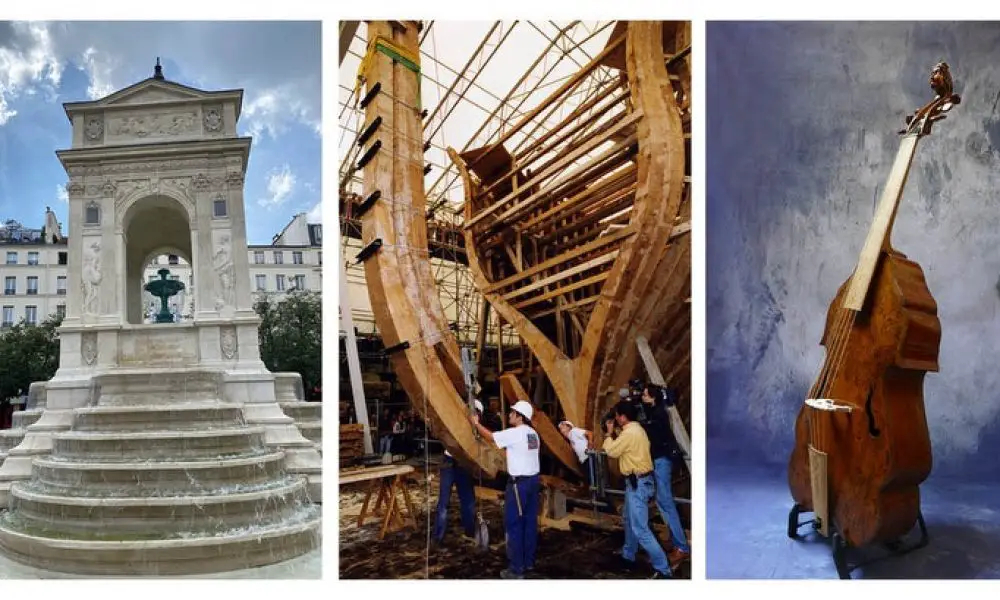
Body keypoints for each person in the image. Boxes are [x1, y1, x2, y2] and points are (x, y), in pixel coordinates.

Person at [471, 400, 540, 579]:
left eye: (512, 413)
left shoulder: (516, 433)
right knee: (529, 523)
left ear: (520, 417)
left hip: (519, 485)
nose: (509, 415)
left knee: (514, 525)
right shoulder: (533, 434)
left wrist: (476, 424)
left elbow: (492, 437)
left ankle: (516, 570)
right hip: (533, 482)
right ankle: (528, 562)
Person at [602, 401, 671, 579]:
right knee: (630, 521)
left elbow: (611, 451)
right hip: (640, 482)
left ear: (623, 417)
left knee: (640, 528)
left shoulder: (629, 433)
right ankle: (628, 556)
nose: (616, 419)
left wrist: (609, 434)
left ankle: (663, 569)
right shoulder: (638, 430)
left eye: (617, 416)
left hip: (637, 484)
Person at [640, 383, 691, 568]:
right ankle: (675, 538)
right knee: (663, 501)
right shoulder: (657, 411)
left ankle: (682, 547)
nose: (643, 398)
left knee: (666, 501)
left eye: (645, 395)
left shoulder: (658, 414)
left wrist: (640, 426)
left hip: (662, 460)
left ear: (653, 397)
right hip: (661, 459)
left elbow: (655, 434)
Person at [434, 400, 490, 544]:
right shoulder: (454, 423)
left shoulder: (478, 430)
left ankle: (470, 532)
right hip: (449, 462)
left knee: (468, 502)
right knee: (443, 502)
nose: (472, 414)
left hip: (464, 465)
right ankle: (438, 537)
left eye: (475, 412)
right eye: (471, 411)